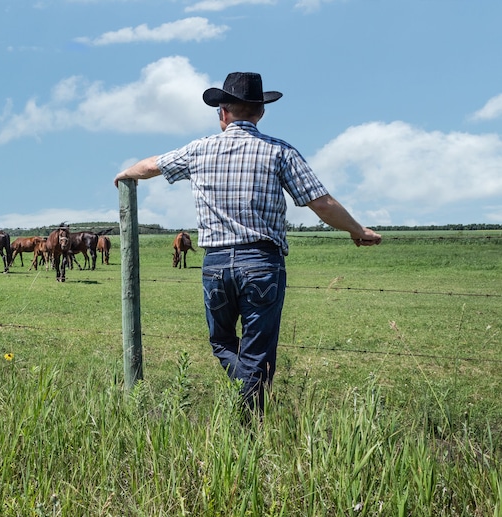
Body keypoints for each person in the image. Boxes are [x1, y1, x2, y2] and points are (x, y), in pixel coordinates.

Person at [114, 71, 381, 415]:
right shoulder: (280, 151)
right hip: (261, 263)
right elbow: (321, 203)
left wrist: (124, 175)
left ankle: (246, 413)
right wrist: (358, 230)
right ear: (261, 112)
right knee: (258, 353)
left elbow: (151, 166)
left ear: (222, 113)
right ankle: (248, 423)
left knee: (222, 342)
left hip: (215, 265)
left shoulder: (199, 150)